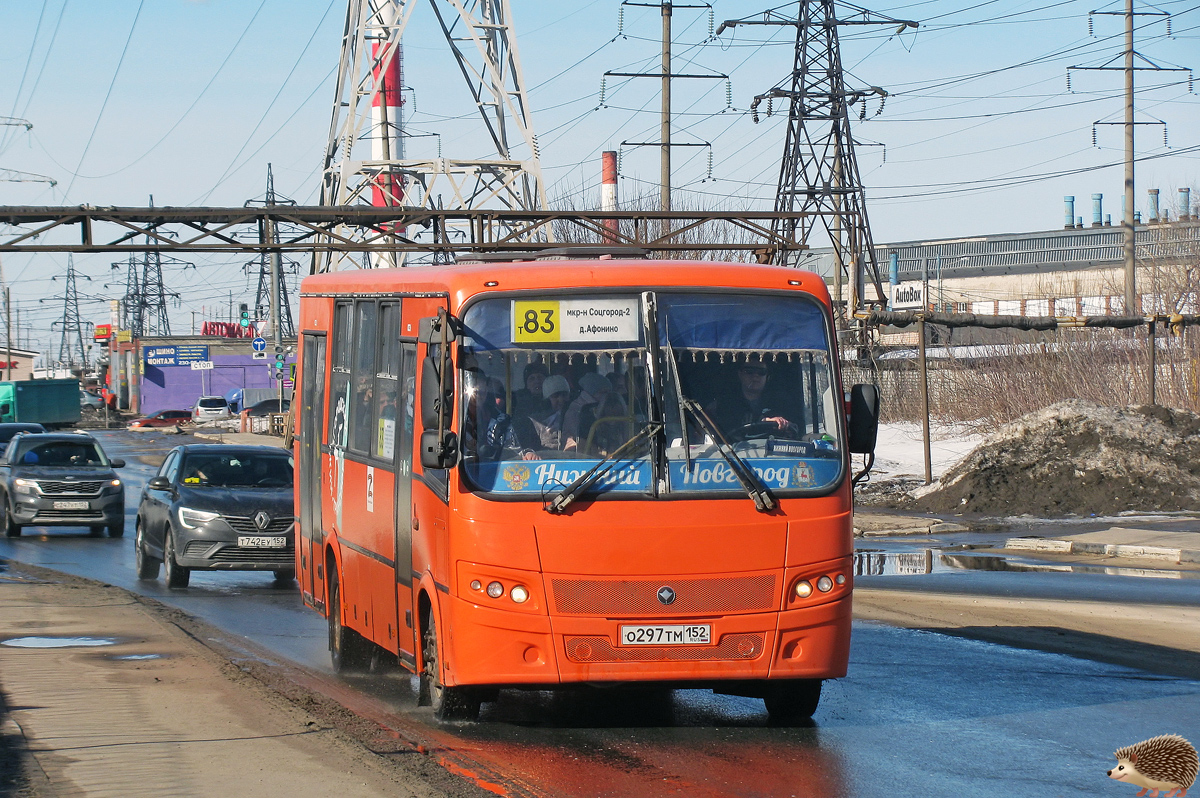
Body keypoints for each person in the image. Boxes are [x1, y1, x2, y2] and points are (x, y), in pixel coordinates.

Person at [706, 360, 796, 439]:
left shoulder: (780, 403)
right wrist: (764, 421)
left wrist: (783, 424)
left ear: (767, 376)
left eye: (761, 372)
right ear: (740, 374)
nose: (755, 376)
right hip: (733, 454)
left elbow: (795, 428)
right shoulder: (724, 404)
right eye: (749, 371)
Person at [563, 372, 611, 446]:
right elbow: (577, 438)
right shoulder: (576, 410)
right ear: (591, 393)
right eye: (603, 392)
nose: (606, 396)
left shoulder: (607, 408)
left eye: (608, 393)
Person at [531, 374, 572, 452]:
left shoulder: (575, 416)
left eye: (564, 395)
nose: (561, 399)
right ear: (546, 400)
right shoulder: (536, 422)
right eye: (555, 396)